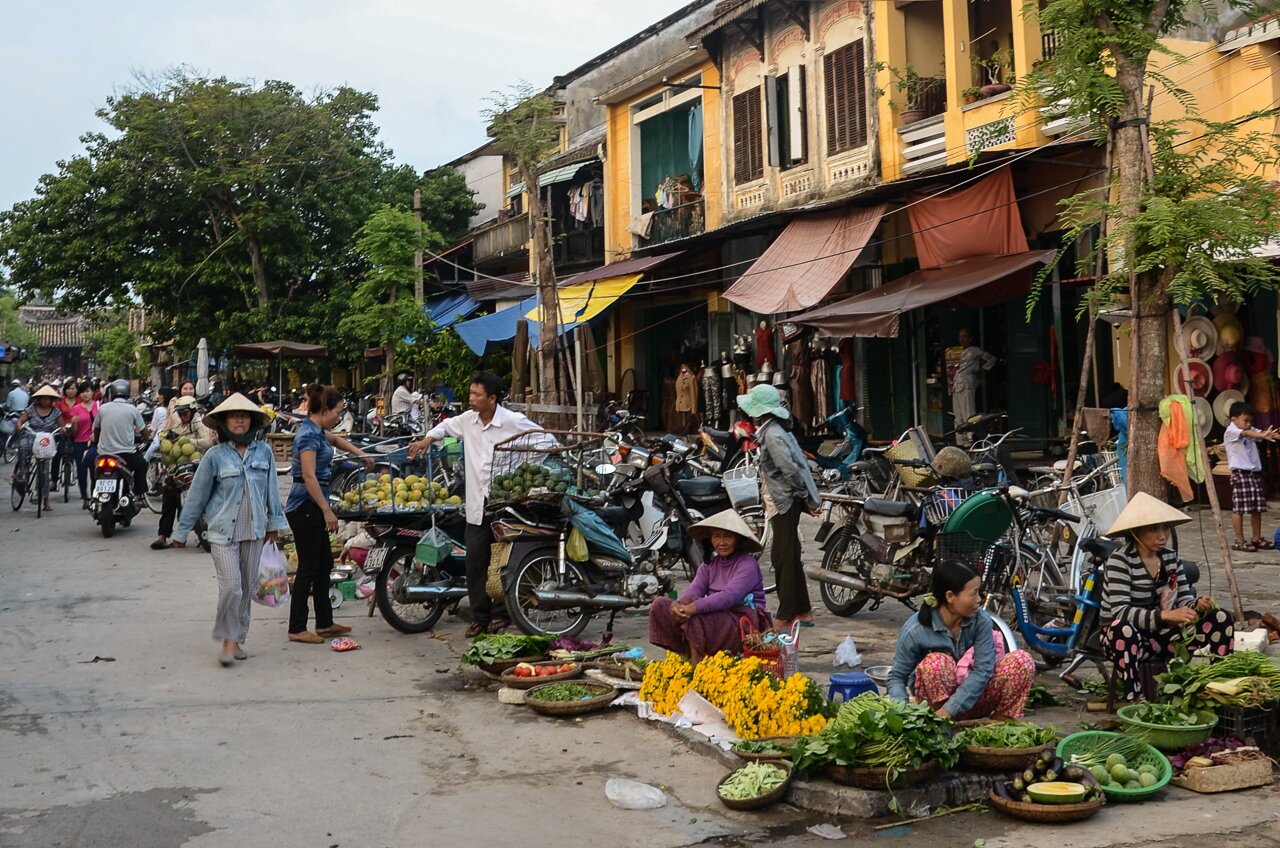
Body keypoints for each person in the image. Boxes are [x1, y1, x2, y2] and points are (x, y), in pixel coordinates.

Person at [408, 371, 551, 637]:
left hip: (505, 504)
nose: (471, 399)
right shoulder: (468, 420)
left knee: (503, 561)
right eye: (471, 393)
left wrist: (521, 467)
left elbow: (545, 440)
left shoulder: (512, 421)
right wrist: (427, 439)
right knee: (475, 562)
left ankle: (501, 614)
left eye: (477, 394)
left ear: (492, 398)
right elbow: (445, 427)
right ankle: (479, 617)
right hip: (477, 505)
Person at [176, 393, 289, 666]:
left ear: (252, 421)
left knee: (247, 587)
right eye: (233, 416)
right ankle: (227, 641)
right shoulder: (214, 456)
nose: (239, 420)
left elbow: (272, 491)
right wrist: (181, 532)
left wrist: (275, 524)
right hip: (222, 533)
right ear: (224, 422)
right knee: (232, 587)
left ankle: (237, 638)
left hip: (255, 531)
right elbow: (197, 496)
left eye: (244, 415)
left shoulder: (264, 452)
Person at [1100, 492, 1235, 700]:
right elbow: (1121, 611)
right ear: (1135, 532)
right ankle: (1134, 698)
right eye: (1153, 529)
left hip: (1164, 638)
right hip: (1127, 641)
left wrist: (1197, 605)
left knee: (1221, 618)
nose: (1162, 535)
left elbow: (1182, 599)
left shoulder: (1170, 558)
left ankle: (1221, 687)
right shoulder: (1120, 561)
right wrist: (1166, 616)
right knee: (1121, 628)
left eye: (1165, 528)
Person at [888, 561, 1036, 719]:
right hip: (937, 711)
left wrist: (951, 709)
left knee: (1022, 661)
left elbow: (983, 670)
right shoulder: (915, 630)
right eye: (974, 594)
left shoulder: (981, 620)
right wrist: (901, 713)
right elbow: (897, 676)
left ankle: (998, 725)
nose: (979, 599)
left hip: (975, 700)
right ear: (950, 596)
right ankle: (941, 727)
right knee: (935, 663)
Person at [286, 384, 374, 643]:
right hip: (306, 507)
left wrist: (361, 453)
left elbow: (334, 439)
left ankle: (324, 623)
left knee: (324, 564)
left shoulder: (317, 430)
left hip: (313, 505)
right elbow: (309, 476)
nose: (339, 416)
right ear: (324, 409)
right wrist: (326, 510)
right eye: (337, 411)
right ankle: (297, 628)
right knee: (308, 568)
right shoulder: (308, 436)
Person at [736, 383, 820, 630]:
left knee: (782, 557)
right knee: (791, 555)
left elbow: (791, 469)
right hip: (787, 499)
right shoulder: (775, 431)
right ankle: (803, 611)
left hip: (784, 501)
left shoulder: (772, 435)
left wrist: (802, 496)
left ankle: (786, 614)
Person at [648, 509, 770, 661]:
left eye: (728, 537)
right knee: (660, 605)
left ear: (738, 540)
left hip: (744, 622)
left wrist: (692, 609)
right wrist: (677, 606)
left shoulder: (747, 565)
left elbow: (727, 597)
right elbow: (693, 591)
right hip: (717, 617)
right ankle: (685, 654)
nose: (722, 542)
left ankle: (697, 669)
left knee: (694, 617)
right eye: (716, 536)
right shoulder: (709, 566)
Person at [152, 396, 217, 550]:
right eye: (180, 413)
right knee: (169, 494)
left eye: (184, 413)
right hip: (180, 466)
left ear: (192, 410)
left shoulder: (199, 423)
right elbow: (171, 441)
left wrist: (188, 441)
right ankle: (163, 535)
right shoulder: (180, 425)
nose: (182, 416)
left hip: (198, 466)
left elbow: (207, 441)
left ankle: (181, 537)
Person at [1224, 401, 1279, 552]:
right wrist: (1262, 434)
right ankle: (1239, 540)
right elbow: (1248, 434)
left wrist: (1271, 435)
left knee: (1257, 508)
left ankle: (1256, 538)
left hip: (1253, 474)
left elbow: (1263, 434)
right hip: (1240, 474)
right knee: (1239, 509)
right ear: (1233, 419)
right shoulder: (1231, 431)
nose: (1248, 424)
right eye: (1245, 420)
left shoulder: (1249, 428)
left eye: (1250, 421)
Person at [92, 379, 149, 498]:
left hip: (104, 453)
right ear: (127, 393)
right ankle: (139, 495)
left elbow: (96, 429)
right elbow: (144, 431)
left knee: (93, 469)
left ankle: (93, 495)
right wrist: (147, 439)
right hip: (126, 455)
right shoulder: (132, 409)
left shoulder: (102, 409)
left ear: (111, 393)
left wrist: (97, 441)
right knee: (142, 464)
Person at [12, 384, 64, 511]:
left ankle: (45, 501)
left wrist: (64, 429)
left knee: (45, 471)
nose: (46, 401)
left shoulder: (56, 412)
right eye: (43, 398)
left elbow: (62, 426)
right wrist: (19, 425)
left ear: (52, 400)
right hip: (31, 436)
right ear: (39, 399)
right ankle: (22, 473)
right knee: (23, 446)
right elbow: (21, 421)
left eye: (48, 398)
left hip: (46, 440)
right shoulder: (31, 409)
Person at [950, 328, 997, 444]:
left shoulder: (975, 351)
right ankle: (961, 441)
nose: (962, 339)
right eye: (960, 336)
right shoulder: (959, 352)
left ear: (970, 338)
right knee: (958, 415)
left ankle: (971, 439)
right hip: (956, 384)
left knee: (968, 412)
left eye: (965, 336)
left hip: (966, 384)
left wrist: (982, 369)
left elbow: (991, 359)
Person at [67, 382, 97, 507]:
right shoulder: (76, 409)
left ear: (92, 392)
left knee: (96, 471)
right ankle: (85, 497)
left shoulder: (99, 406)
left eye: (88, 391)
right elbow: (73, 432)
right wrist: (74, 423)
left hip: (95, 443)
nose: (85, 394)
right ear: (80, 394)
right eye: (83, 392)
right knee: (82, 470)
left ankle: (95, 496)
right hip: (80, 443)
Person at [144, 386, 178, 462]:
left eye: (158, 395)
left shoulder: (159, 410)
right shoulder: (176, 409)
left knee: (146, 457)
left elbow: (153, 428)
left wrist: (148, 435)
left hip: (161, 437)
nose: (157, 397)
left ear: (162, 396)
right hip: (173, 436)